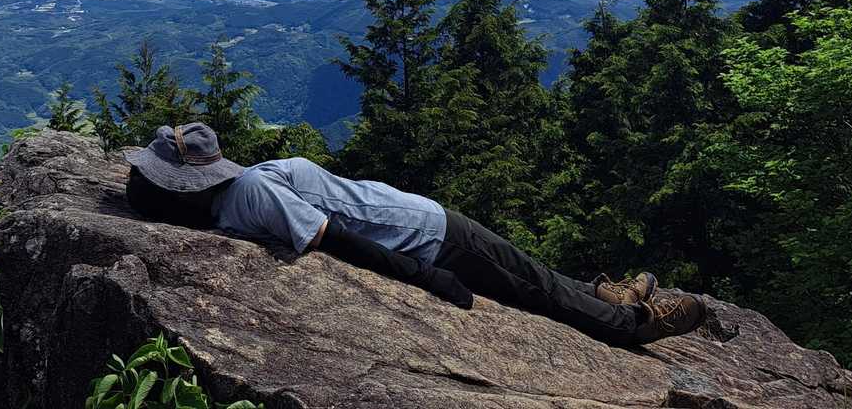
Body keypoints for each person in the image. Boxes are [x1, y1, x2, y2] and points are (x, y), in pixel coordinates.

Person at [123, 122, 706, 347]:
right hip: (426, 230)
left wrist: (427, 277)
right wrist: (426, 273)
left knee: (537, 287)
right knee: (534, 283)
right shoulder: (237, 196)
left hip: (428, 235)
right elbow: (333, 234)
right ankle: (622, 310)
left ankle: (626, 318)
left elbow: (332, 237)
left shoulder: (249, 191)